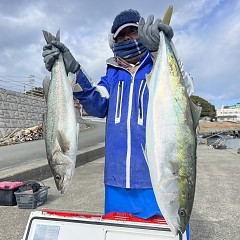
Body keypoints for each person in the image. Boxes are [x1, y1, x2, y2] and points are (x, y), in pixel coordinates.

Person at [42, 9, 193, 239]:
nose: (127, 38)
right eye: (121, 36)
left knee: (171, 231)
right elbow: (95, 102)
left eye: (133, 32)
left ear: (142, 34)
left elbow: (186, 92)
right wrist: (73, 70)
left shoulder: (158, 67)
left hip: (156, 181)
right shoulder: (111, 77)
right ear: (113, 41)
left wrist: (161, 49)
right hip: (116, 184)